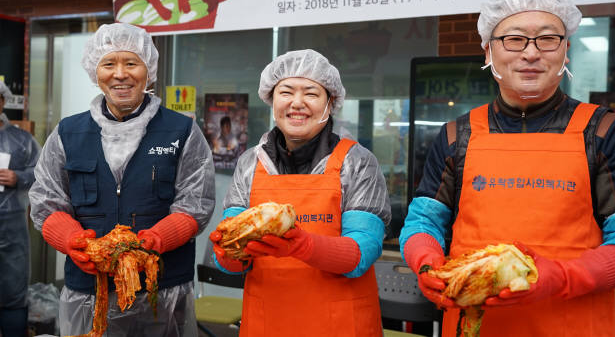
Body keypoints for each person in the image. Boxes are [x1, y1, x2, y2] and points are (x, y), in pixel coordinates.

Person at [399, 0, 615, 336]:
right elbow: (423, 222)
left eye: (548, 39)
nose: (531, 53)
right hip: (473, 326)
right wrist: (426, 264)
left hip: (573, 324)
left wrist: (562, 277)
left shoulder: (605, 132)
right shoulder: (455, 136)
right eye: (515, 39)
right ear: (488, 50)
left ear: (565, 50)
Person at [28, 23, 215, 336]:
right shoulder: (67, 133)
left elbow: (196, 203)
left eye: (131, 63)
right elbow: (46, 202)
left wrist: (157, 239)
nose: (120, 74)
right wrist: (74, 241)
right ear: (95, 71)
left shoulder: (181, 131)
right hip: (87, 291)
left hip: (163, 291)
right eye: (108, 64)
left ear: (148, 69)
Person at [209, 49, 391, 337]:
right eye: (286, 92)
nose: (297, 103)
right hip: (267, 322)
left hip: (339, 324)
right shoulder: (249, 164)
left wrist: (301, 246)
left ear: (330, 103)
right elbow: (231, 254)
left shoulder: (357, 162)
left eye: (311, 93)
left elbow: (362, 252)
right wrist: (229, 253)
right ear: (271, 99)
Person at [0, 81, 41, 337]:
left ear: (2, 102)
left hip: (11, 224)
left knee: (13, 285)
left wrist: (18, 178)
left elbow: (43, 174)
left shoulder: (21, 139)